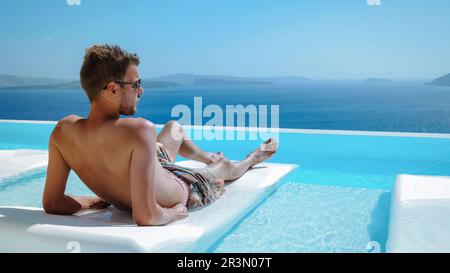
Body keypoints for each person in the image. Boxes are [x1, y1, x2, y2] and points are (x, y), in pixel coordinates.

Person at [42, 44, 278, 226]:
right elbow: (147, 216)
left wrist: (90, 200)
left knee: (173, 127)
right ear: (113, 89)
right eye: (136, 84)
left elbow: (53, 203)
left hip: (153, 169)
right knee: (225, 165)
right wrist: (174, 212)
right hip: (184, 187)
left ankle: (206, 157)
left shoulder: (63, 132)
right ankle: (254, 157)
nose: (140, 90)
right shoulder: (139, 130)